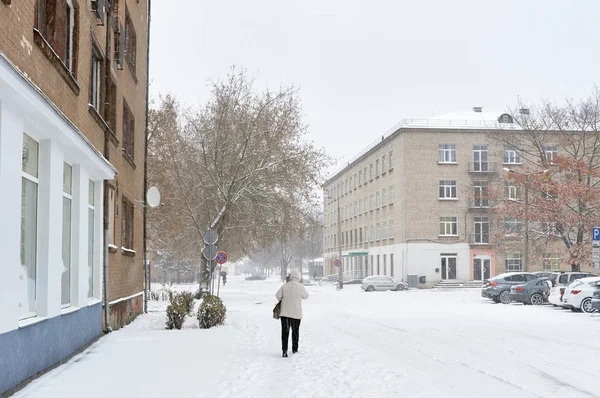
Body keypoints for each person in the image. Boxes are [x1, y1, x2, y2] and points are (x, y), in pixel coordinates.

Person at [276, 270, 308, 357]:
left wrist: (284, 300)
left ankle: (284, 351)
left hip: (284, 313)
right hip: (296, 314)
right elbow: (306, 296)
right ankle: (294, 349)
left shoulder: (285, 286)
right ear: (299, 277)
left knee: (285, 332)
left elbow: (278, 295)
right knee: (295, 331)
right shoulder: (300, 287)